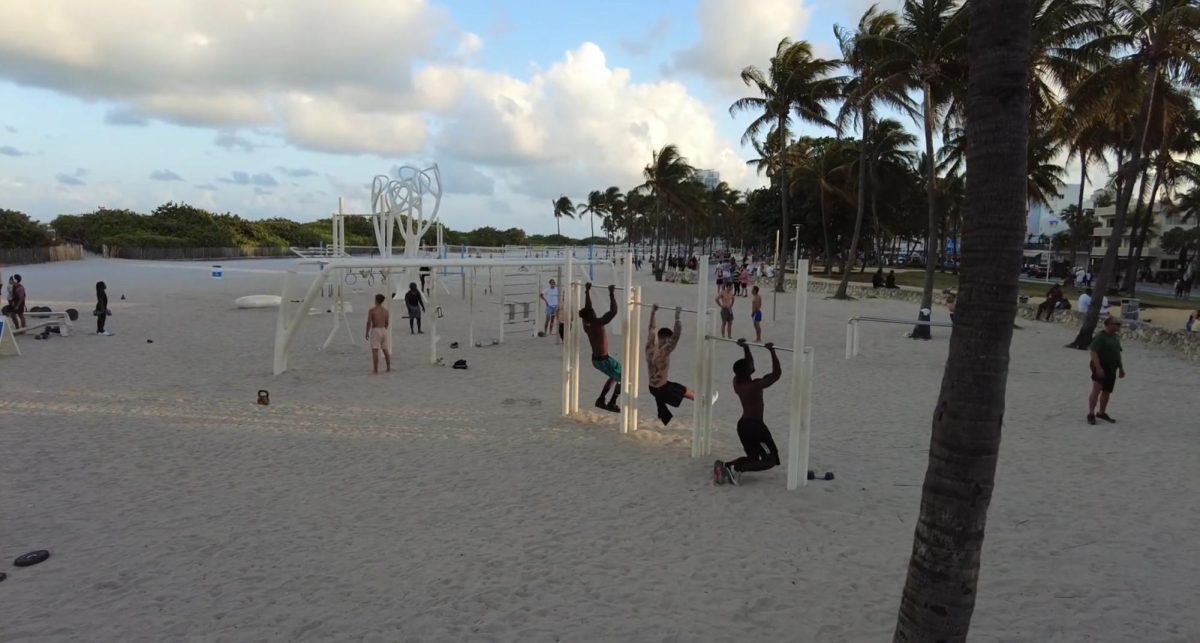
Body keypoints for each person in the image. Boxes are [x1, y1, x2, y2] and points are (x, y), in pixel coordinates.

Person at [713, 339, 782, 486]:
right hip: (755, 426)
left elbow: (747, 363)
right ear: (747, 371)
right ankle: (736, 468)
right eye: (751, 366)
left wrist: (746, 347)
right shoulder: (755, 385)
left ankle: (725, 466)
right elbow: (776, 374)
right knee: (771, 460)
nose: (753, 366)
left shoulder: (737, 383)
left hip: (743, 425)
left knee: (753, 458)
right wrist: (772, 351)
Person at [645, 304, 695, 425]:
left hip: (653, 388)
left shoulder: (649, 347)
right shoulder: (664, 351)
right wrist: (677, 317)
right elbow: (676, 337)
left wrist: (653, 313)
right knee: (690, 394)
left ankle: (704, 399)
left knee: (686, 389)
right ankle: (706, 402)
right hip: (663, 389)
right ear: (667, 339)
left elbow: (651, 329)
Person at [581, 283, 621, 412]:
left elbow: (588, 307)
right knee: (623, 377)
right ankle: (612, 402)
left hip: (596, 360)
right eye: (592, 313)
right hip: (603, 360)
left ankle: (602, 399)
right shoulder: (597, 323)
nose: (594, 312)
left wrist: (587, 291)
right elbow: (613, 311)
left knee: (615, 376)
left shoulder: (586, 324)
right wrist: (611, 293)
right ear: (591, 316)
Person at [1087, 316, 1126, 425]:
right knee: (1096, 390)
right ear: (1108, 324)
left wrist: (1121, 368)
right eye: (1116, 324)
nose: (1119, 326)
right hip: (1101, 366)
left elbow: (1117, 354)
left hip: (1112, 368)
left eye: (1119, 324)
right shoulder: (1100, 337)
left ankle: (1101, 412)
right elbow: (1093, 352)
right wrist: (1098, 368)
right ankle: (1091, 413)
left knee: (1107, 391)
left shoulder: (1116, 338)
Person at [365, 294, 392, 374]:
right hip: (384, 330)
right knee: (385, 349)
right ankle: (388, 368)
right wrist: (384, 329)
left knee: (375, 350)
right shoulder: (386, 311)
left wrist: (366, 332)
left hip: (376, 330)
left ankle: (376, 369)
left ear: (376, 300)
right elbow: (387, 323)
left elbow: (369, 322)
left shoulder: (372, 310)